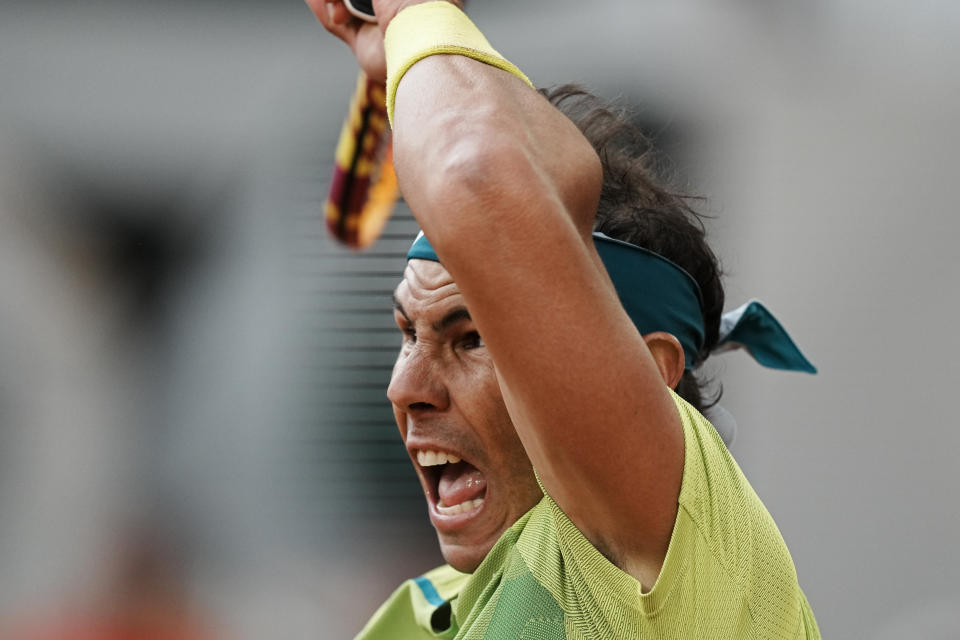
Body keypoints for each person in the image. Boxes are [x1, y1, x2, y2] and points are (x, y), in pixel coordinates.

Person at [306, 1, 821, 637]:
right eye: (408, 332)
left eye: (471, 339)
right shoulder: (422, 609)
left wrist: (415, 15)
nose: (405, 389)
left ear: (650, 369)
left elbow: (475, 173)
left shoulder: (672, 532)